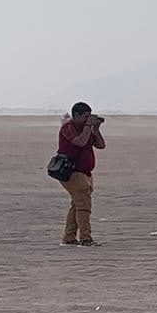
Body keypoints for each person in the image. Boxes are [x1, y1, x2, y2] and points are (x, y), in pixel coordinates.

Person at [57, 102, 106, 247]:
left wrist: (95, 129)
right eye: (85, 116)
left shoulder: (86, 129)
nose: (87, 119)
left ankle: (69, 237)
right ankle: (85, 238)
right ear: (76, 115)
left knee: (76, 206)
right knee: (84, 206)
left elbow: (101, 145)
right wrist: (87, 127)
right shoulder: (69, 128)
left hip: (85, 173)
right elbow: (80, 142)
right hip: (72, 172)